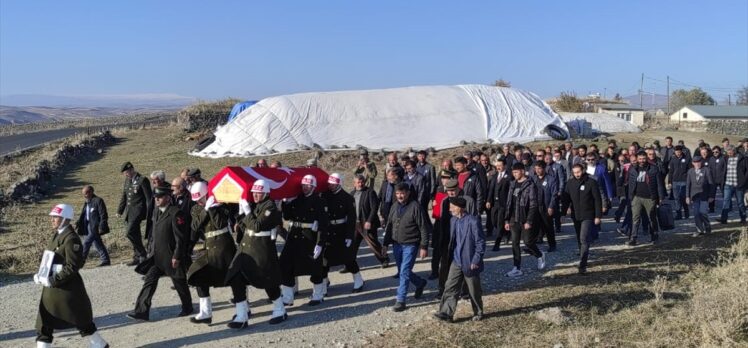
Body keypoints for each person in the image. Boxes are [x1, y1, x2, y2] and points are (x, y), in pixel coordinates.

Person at [35, 204, 109, 348]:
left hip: (67, 289)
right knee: (44, 324)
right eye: (53, 217)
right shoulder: (58, 235)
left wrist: (52, 280)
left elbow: (73, 266)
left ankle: (99, 344)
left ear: (65, 219)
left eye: (56, 217)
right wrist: (41, 273)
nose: (53, 220)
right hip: (52, 289)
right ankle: (99, 344)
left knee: (82, 322)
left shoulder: (71, 239)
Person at [225, 179, 288, 328]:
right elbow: (246, 226)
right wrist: (240, 214)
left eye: (259, 192)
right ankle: (242, 315)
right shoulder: (256, 205)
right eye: (254, 192)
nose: (255, 195)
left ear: (265, 193)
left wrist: (247, 212)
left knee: (267, 282)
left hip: (262, 250)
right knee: (236, 278)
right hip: (247, 248)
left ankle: (280, 309)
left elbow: (256, 226)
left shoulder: (270, 207)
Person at [127, 183, 193, 321]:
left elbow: (180, 239)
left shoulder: (176, 213)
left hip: (171, 256)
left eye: (160, 197)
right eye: (155, 197)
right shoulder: (156, 211)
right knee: (149, 281)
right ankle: (141, 311)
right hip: (157, 257)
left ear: (168, 198)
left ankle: (187, 308)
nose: (156, 199)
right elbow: (154, 234)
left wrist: (177, 256)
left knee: (179, 283)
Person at [185, 182, 236, 325]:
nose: (199, 202)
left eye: (201, 198)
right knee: (198, 275)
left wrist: (213, 208)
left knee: (234, 277)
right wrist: (206, 209)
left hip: (224, 244)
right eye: (197, 200)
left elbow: (220, 224)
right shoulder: (196, 208)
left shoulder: (221, 204)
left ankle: (243, 307)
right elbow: (195, 226)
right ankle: (205, 312)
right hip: (209, 245)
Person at [279, 175, 329, 306]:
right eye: (303, 185)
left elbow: (323, 224)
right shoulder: (298, 199)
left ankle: (318, 295)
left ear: (313, 186)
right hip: (294, 236)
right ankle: (288, 297)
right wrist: (286, 202)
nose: (305, 188)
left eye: (308, 185)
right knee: (285, 263)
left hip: (309, 238)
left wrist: (320, 243)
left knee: (315, 267)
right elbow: (287, 216)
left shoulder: (320, 201)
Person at [433, 197, 485, 322]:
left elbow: (480, 242)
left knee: (474, 290)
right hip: (456, 260)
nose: (450, 209)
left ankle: (478, 312)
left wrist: (476, 260)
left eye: (452, 207)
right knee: (450, 286)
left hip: (470, 261)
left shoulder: (473, 221)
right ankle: (446, 313)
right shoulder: (453, 220)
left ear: (460, 207)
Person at [383, 183, 431, 312]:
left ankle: (400, 300)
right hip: (396, 243)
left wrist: (424, 246)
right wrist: (385, 244)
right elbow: (389, 226)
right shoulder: (394, 206)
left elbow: (423, 228)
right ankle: (420, 283)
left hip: (411, 244)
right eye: (397, 193)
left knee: (404, 271)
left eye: (402, 193)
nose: (400, 196)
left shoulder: (416, 207)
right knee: (403, 270)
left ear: (408, 193)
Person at [321, 173, 365, 293]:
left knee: (348, 258)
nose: (330, 186)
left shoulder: (347, 198)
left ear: (339, 183)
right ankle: (324, 284)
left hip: (341, 230)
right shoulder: (324, 195)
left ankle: (358, 279)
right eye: (329, 183)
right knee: (324, 259)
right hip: (328, 230)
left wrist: (349, 236)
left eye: (333, 184)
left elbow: (351, 218)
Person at [504, 162, 546, 277]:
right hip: (513, 218)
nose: (515, 174)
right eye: (513, 172)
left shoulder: (530, 185)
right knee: (515, 243)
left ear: (522, 171)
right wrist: (506, 220)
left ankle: (539, 255)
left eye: (516, 172)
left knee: (528, 242)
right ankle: (516, 267)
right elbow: (509, 203)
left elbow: (533, 205)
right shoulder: (512, 184)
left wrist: (529, 221)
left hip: (525, 218)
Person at [562, 164, 602, 274]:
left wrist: (598, 216)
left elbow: (597, 200)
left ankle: (582, 265)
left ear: (583, 170)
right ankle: (582, 257)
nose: (577, 174)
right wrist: (562, 214)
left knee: (584, 238)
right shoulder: (570, 183)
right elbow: (566, 200)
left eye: (578, 172)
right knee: (580, 238)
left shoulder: (591, 182)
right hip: (576, 215)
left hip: (588, 215)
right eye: (574, 172)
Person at [348, 174, 388, 270]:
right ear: (354, 183)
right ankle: (349, 264)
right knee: (352, 245)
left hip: (366, 223)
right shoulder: (352, 194)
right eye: (358, 182)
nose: (360, 184)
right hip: (355, 223)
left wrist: (369, 221)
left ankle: (384, 259)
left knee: (373, 243)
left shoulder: (369, 192)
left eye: (362, 182)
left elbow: (374, 208)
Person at [117, 161, 152, 266]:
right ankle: (137, 256)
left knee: (129, 232)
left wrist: (149, 212)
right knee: (135, 233)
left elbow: (148, 198)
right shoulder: (127, 181)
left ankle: (142, 253)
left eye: (127, 172)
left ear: (132, 169)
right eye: (125, 173)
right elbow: (124, 196)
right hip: (129, 212)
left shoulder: (142, 180)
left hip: (139, 211)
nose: (126, 174)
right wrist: (120, 210)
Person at [627, 151, 665, 245]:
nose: (642, 161)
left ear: (646, 158)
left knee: (652, 217)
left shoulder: (654, 168)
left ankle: (654, 236)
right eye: (640, 159)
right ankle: (633, 238)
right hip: (637, 197)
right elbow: (630, 184)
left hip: (650, 197)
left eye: (643, 159)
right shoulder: (633, 169)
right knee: (635, 217)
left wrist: (660, 197)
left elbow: (659, 184)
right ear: (637, 159)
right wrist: (630, 197)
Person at [75, 185, 110, 267]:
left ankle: (81, 262)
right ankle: (105, 260)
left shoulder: (98, 201)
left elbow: (103, 214)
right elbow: (84, 215)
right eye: (83, 193)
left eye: (86, 193)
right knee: (97, 243)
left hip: (95, 227)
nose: (84, 195)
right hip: (88, 225)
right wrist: (78, 223)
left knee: (86, 243)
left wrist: (101, 226)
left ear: (91, 192)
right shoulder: (87, 202)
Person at [532, 161, 558, 251]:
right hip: (536, 206)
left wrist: (551, 207)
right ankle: (534, 243)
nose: (537, 170)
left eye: (539, 168)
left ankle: (552, 245)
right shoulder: (533, 179)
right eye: (536, 169)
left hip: (546, 206)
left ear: (544, 168)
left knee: (548, 226)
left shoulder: (551, 179)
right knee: (535, 226)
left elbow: (554, 195)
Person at [686, 156, 714, 236]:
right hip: (694, 196)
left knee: (703, 212)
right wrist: (687, 196)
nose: (697, 164)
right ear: (693, 163)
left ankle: (707, 227)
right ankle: (699, 230)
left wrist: (711, 196)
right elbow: (688, 184)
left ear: (701, 162)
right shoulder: (690, 171)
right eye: (695, 162)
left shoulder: (706, 170)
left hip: (704, 195)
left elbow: (711, 184)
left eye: (698, 162)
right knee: (696, 213)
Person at [487, 158, 511, 251]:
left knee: (500, 223)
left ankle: (497, 244)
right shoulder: (494, 176)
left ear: (504, 166)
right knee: (494, 222)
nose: (498, 167)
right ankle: (506, 233)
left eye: (500, 165)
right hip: (494, 203)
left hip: (503, 204)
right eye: (497, 166)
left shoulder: (509, 176)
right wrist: (488, 200)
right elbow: (491, 189)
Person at [720, 145, 748, 224]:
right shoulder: (726, 158)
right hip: (728, 184)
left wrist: (744, 181)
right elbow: (723, 169)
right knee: (726, 201)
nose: (729, 154)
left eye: (730, 152)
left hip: (738, 184)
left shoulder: (743, 158)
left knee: (740, 202)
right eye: (727, 152)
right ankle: (723, 219)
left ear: (734, 151)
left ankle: (743, 218)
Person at [668, 145, 692, 220]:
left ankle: (686, 212)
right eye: (676, 152)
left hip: (684, 181)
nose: (678, 153)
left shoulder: (687, 159)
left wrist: (689, 180)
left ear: (681, 151)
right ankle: (678, 214)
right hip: (675, 181)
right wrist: (669, 181)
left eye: (679, 152)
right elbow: (671, 171)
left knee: (683, 198)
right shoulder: (673, 159)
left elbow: (690, 170)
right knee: (676, 198)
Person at [708, 146, 727, 213]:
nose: (715, 153)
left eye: (717, 152)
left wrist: (723, 178)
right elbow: (709, 169)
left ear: (719, 151)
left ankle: (727, 207)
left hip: (721, 179)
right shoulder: (711, 159)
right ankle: (711, 208)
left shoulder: (723, 158)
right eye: (714, 152)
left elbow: (725, 168)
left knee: (725, 194)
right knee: (711, 194)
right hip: (713, 180)